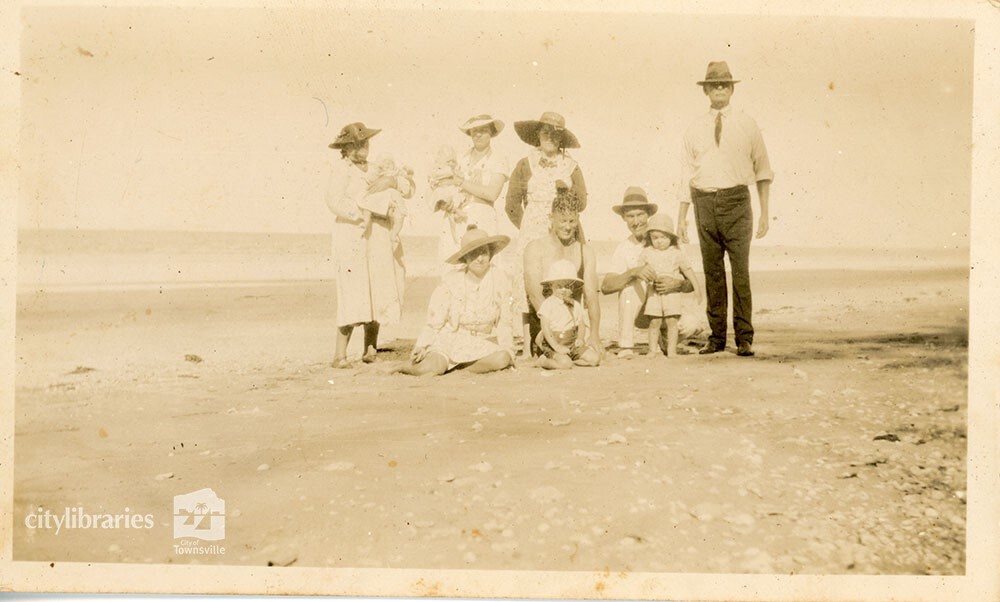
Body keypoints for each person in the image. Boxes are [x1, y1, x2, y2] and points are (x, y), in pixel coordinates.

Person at [676, 61, 773, 357]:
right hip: (703, 201)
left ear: (731, 89)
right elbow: (685, 176)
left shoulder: (748, 124)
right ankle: (717, 337)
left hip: (737, 202)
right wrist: (682, 217)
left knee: (740, 272)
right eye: (713, 85)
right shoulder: (694, 128)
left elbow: (763, 170)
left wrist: (765, 212)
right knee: (713, 272)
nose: (719, 89)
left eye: (724, 85)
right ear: (706, 90)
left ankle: (744, 338)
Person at [324, 122, 406, 368]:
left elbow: (406, 187)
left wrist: (390, 184)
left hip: (378, 233)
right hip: (353, 233)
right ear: (347, 148)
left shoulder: (377, 168)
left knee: (377, 288)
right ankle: (340, 354)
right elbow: (333, 200)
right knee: (353, 290)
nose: (365, 147)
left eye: (366, 142)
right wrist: (361, 212)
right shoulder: (342, 170)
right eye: (359, 143)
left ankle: (370, 348)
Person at [505, 111, 587, 354]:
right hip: (532, 229)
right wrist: (528, 226)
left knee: (564, 279)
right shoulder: (525, 164)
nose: (549, 137)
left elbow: (581, 201)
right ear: (537, 136)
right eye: (545, 132)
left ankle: (569, 334)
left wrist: (566, 194)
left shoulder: (571, 166)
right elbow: (511, 203)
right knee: (529, 283)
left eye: (555, 134)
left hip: (563, 229)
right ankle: (533, 340)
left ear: (561, 139)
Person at [396, 227, 515, 376]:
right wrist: (422, 345)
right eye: (474, 253)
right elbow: (434, 322)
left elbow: (505, 323)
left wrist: (508, 350)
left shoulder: (500, 279)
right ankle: (399, 367)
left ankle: (457, 369)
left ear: (490, 254)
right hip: (451, 340)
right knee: (432, 368)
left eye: (484, 252)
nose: (480, 259)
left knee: (502, 359)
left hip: (483, 343)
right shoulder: (451, 281)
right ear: (465, 258)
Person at [600, 186, 697, 359]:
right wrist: (633, 272)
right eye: (630, 216)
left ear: (648, 215)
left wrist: (678, 283)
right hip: (642, 311)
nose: (636, 221)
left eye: (640, 215)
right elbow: (606, 286)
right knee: (630, 287)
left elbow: (690, 283)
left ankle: (664, 341)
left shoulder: (670, 241)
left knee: (692, 324)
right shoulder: (624, 248)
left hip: (668, 307)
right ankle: (626, 346)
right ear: (624, 218)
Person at [522, 189, 600, 365]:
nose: (568, 226)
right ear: (551, 219)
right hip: (546, 325)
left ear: (577, 219)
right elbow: (534, 294)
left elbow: (592, 297)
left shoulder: (585, 251)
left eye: (572, 221)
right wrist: (555, 327)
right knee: (563, 363)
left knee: (594, 360)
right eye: (563, 221)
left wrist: (594, 335)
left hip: (573, 327)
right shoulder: (535, 248)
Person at [432, 115, 509, 265]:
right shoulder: (459, 158)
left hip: (482, 217)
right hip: (455, 216)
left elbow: (492, 193)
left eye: (483, 130)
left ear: (492, 133)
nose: (478, 134)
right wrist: (443, 203)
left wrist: (460, 181)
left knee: (482, 263)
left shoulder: (498, 159)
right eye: (474, 131)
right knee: (453, 262)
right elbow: (442, 183)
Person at [639, 213, 702, 357]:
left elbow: (688, 270)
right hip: (653, 293)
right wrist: (646, 279)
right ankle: (652, 350)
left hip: (672, 295)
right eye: (655, 238)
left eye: (663, 237)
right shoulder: (647, 252)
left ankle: (672, 350)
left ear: (671, 238)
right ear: (650, 238)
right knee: (654, 322)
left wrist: (697, 289)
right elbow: (640, 271)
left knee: (672, 321)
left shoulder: (676, 253)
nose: (659, 241)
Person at [535, 260, 590, 370]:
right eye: (559, 286)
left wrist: (580, 338)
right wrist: (556, 346)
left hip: (571, 341)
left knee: (593, 359)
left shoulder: (575, 304)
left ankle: (569, 358)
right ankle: (544, 361)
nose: (563, 290)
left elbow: (581, 324)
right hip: (553, 341)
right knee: (565, 364)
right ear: (551, 285)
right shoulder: (548, 304)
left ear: (573, 288)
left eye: (567, 286)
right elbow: (545, 328)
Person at [361, 154, 415, 244]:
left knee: (400, 216)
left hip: (392, 205)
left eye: (390, 163)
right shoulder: (374, 171)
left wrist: (393, 182)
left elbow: (410, 188)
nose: (387, 165)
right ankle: (365, 222)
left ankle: (394, 233)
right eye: (384, 162)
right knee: (367, 207)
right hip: (373, 215)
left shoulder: (396, 174)